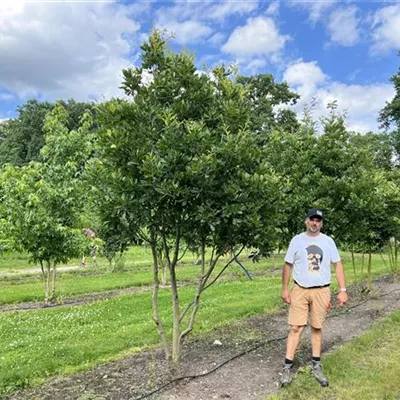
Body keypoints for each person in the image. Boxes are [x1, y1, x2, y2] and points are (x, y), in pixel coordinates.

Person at [280, 208, 348, 388]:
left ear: (321, 223)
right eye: (312, 219)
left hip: (321, 290)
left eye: (318, 220)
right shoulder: (297, 240)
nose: (315, 223)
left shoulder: (328, 241)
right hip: (300, 289)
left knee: (317, 327)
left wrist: (342, 289)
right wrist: (285, 289)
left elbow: (338, 265)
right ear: (306, 221)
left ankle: (316, 366)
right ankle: (287, 368)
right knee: (296, 327)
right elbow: (288, 265)